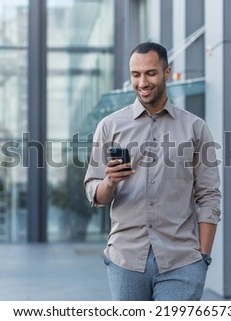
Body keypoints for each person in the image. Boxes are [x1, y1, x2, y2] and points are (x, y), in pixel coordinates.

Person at [84, 42, 221, 301]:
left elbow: (209, 195)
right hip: (126, 261)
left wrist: (202, 257)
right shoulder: (110, 127)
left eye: (150, 73)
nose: (142, 82)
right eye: (136, 75)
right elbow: (95, 193)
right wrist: (110, 181)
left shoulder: (195, 128)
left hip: (181, 262)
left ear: (167, 73)